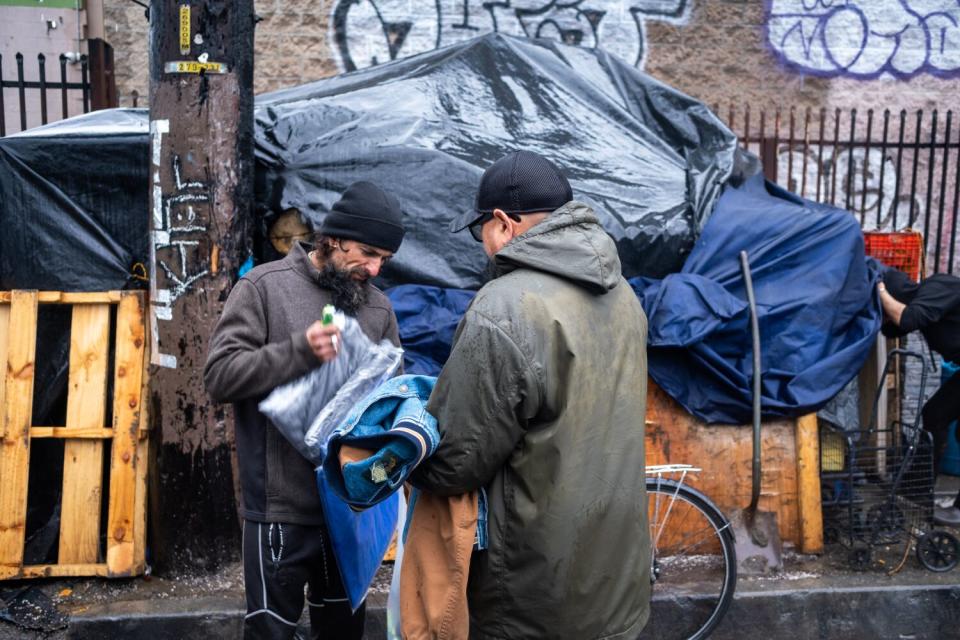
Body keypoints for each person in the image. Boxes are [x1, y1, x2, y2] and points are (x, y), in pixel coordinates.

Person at [412, 151, 651, 639]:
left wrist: (406, 452)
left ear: (502, 223)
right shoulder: (623, 294)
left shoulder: (505, 308)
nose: (482, 243)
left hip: (534, 590)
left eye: (481, 228)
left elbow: (456, 460)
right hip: (618, 581)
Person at [204, 181, 405, 639]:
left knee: (343, 631)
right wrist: (299, 351)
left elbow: (393, 395)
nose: (373, 269)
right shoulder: (263, 287)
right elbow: (220, 377)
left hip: (349, 511)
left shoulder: (378, 309)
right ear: (333, 238)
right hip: (279, 509)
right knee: (271, 633)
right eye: (367, 253)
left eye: (384, 261)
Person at [878, 269, 960, 525]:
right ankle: (918, 488)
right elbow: (891, 330)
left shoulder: (938, 287)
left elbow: (907, 319)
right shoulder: (924, 302)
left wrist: (879, 289)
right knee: (934, 415)